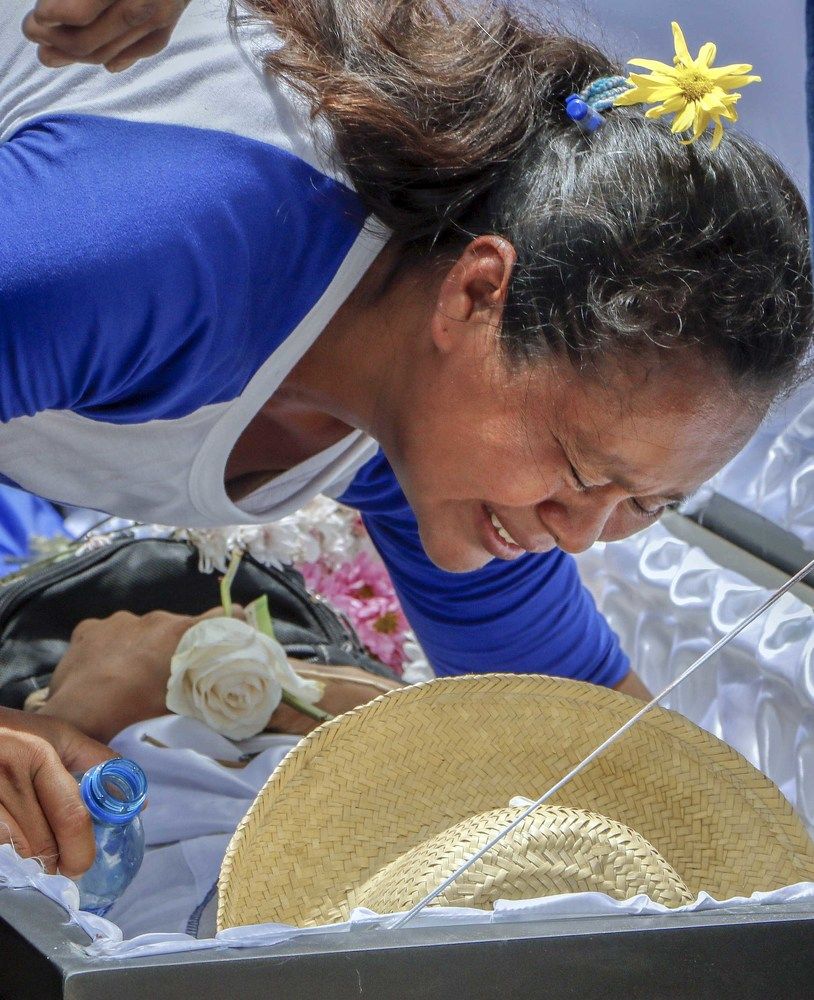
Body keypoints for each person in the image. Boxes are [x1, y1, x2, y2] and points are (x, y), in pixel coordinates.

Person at [1, 0, 812, 878]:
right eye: (580, 469)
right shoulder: (152, 248)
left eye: (647, 504)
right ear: (475, 294)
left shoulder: (424, 409)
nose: (580, 531)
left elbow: (570, 729)